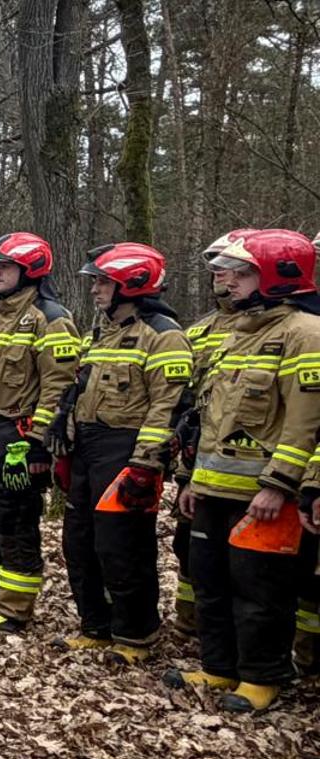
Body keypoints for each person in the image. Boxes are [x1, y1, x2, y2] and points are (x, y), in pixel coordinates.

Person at [168, 229, 320, 713]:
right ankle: (218, 667)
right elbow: (212, 417)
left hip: (263, 494)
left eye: (243, 271)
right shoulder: (234, 334)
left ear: (276, 275)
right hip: (213, 487)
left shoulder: (305, 334)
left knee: (260, 589)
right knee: (209, 579)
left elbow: (305, 422)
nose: (228, 280)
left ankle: (261, 677)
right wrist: (192, 479)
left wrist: (279, 485)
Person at [50, 243, 188, 663]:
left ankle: (135, 634)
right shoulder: (101, 332)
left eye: (103, 281)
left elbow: (166, 406)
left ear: (132, 283)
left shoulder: (163, 335)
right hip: (89, 447)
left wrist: (146, 463)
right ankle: (95, 625)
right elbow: (83, 388)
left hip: (127, 449)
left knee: (122, 545)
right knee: (79, 540)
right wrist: (64, 428)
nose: (95, 289)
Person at [0, 232, 82, 633]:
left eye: (3, 266)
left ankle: (15, 605)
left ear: (30, 270)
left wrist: (40, 443)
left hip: (16, 432)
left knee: (15, 517)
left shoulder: (51, 319)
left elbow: (59, 386)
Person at [171, 229, 255, 633]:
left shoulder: (274, 330)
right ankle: (194, 625)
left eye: (232, 268)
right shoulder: (198, 331)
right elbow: (186, 400)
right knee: (189, 547)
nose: (220, 276)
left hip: (255, 467)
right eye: (216, 268)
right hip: (200, 458)